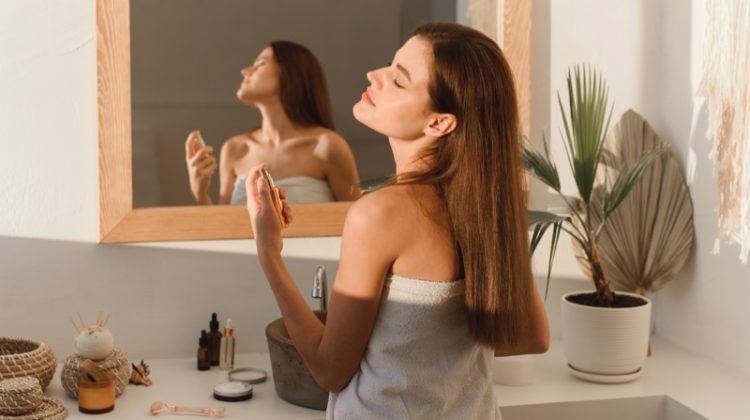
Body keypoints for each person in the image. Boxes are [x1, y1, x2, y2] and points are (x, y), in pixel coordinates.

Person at [246, 22, 549, 419]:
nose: (375, 75)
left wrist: (269, 254)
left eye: (399, 80)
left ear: (439, 122)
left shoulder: (379, 215)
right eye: (390, 65)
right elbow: (532, 336)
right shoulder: (487, 208)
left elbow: (328, 370)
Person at [185, 41, 361, 205]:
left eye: (261, 63)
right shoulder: (235, 149)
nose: (245, 71)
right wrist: (200, 192)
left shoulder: (327, 146)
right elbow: (222, 229)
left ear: (290, 73)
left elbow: (354, 220)